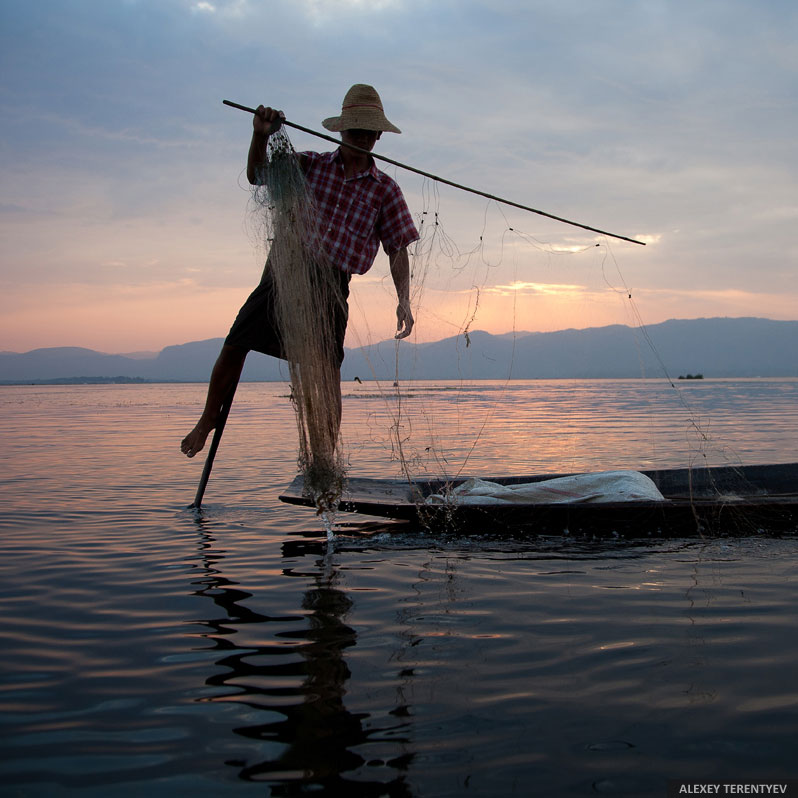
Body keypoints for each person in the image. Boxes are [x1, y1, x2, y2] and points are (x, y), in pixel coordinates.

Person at [181, 84, 419, 459]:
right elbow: (258, 175)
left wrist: (404, 299)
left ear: (376, 137)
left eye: (365, 132)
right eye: (352, 131)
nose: (358, 138)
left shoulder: (385, 190)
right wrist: (260, 136)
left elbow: (398, 249)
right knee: (236, 342)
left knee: (326, 374)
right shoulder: (309, 165)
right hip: (286, 273)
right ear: (340, 133)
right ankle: (208, 417)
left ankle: (324, 457)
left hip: (331, 289)